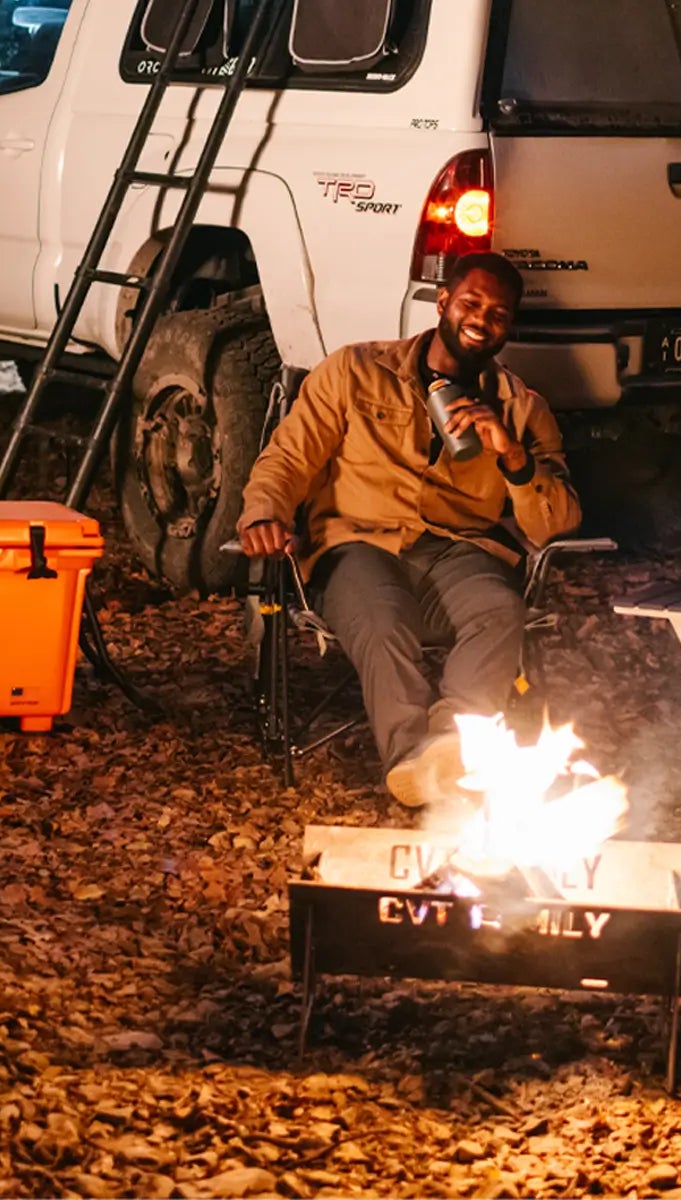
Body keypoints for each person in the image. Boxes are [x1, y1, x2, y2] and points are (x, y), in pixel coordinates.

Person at [237, 251, 582, 806]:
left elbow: (556, 524)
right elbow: (289, 458)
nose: (482, 319)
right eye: (471, 303)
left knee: (500, 610)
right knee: (381, 619)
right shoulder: (355, 371)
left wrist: (513, 456)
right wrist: (263, 513)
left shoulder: (521, 408)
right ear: (442, 302)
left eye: (498, 314)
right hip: (358, 543)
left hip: (460, 550)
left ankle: (451, 744)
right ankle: (413, 762)